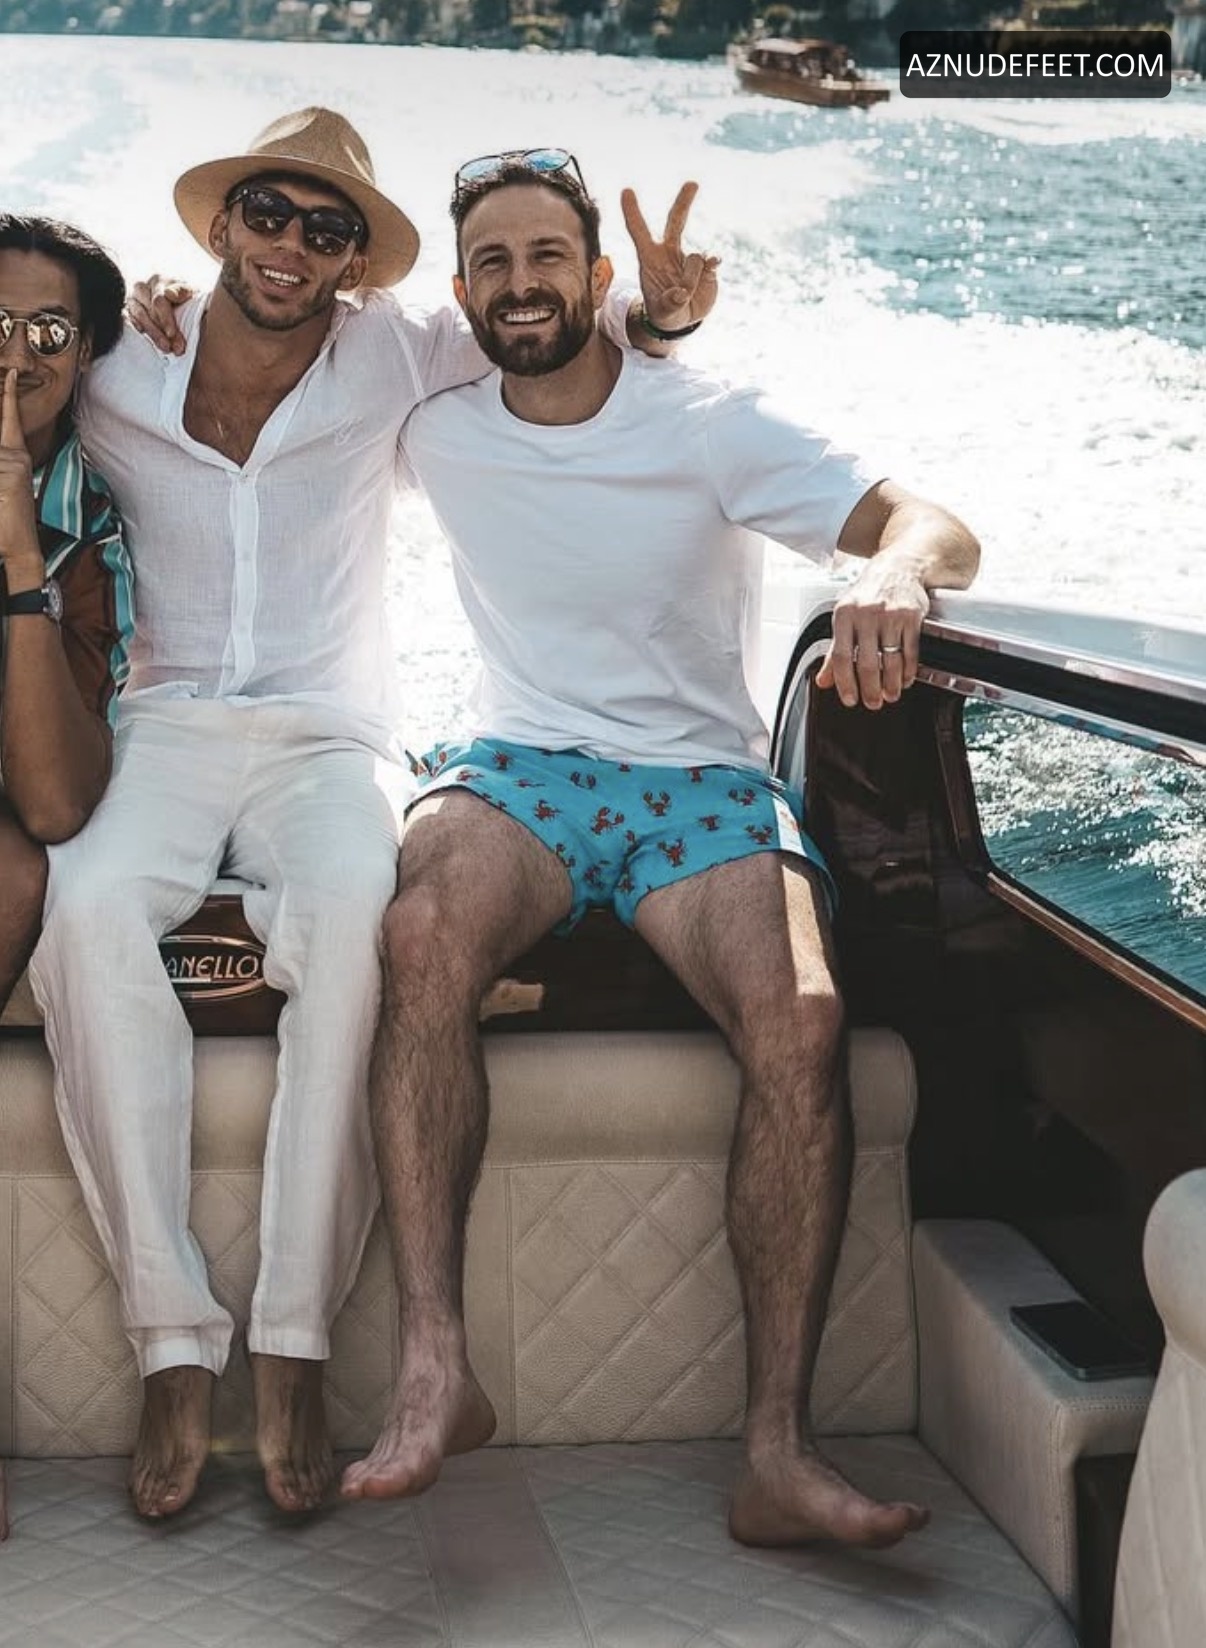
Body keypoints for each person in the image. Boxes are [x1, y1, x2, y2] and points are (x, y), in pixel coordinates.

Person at [30, 111, 717, 1523]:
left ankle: (291, 1343)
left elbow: (551, 330)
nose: (293, 245)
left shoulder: (399, 351)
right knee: (81, 908)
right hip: (159, 723)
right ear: (220, 227)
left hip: (330, 737)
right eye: (269, 215)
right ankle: (172, 1344)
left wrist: (658, 314)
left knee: (358, 922)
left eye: (329, 229)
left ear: (357, 262)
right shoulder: (121, 359)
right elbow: (23, 387)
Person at [339, 152, 980, 1550]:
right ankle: (437, 1369)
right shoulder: (435, 423)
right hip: (520, 768)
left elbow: (936, 526)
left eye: (546, 256)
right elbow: (278, 382)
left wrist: (886, 572)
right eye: (493, 261)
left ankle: (777, 1452)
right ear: (462, 290)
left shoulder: (710, 421)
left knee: (803, 1012)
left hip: (697, 779)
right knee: (416, 933)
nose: (520, 283)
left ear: (597, 277)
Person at [0, 215, 134, 1543]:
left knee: (13, 873)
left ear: (86, 353)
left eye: (46, 330)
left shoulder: (90, 519)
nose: (15, 355)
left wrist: (14, 554)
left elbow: (53, 799)